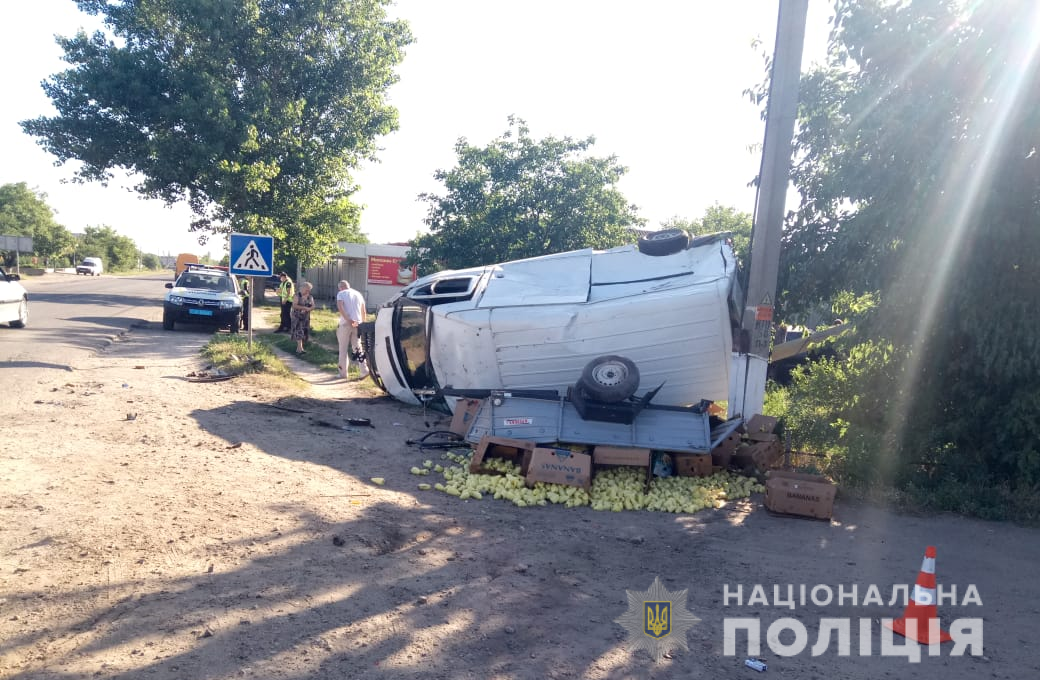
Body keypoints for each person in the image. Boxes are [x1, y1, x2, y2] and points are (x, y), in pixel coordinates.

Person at [336, 280, 368, 379]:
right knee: (358, 347)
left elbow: (340, 308)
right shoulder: (358, 294)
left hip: (346, 323)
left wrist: (348, 320)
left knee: (343, 349)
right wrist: (362, 323)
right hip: (358, 323)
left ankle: (343, 373)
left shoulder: (341, 293)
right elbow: (363, 310)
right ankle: (364, 370)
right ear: (348, 286)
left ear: (340, 287)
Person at [290, 281, 315, 353]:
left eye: (309, 289)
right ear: (302, 288)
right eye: (307, 289)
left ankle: (299, 349)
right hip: (297, 316)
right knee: (299, 330)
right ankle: (300, 349)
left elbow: (313, 305)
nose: (308, 291)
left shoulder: (310, 296)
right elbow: (294, 305)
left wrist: (309, 309)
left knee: (304, 331)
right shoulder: (297, 295)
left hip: (306, 317)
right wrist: (304, 308)